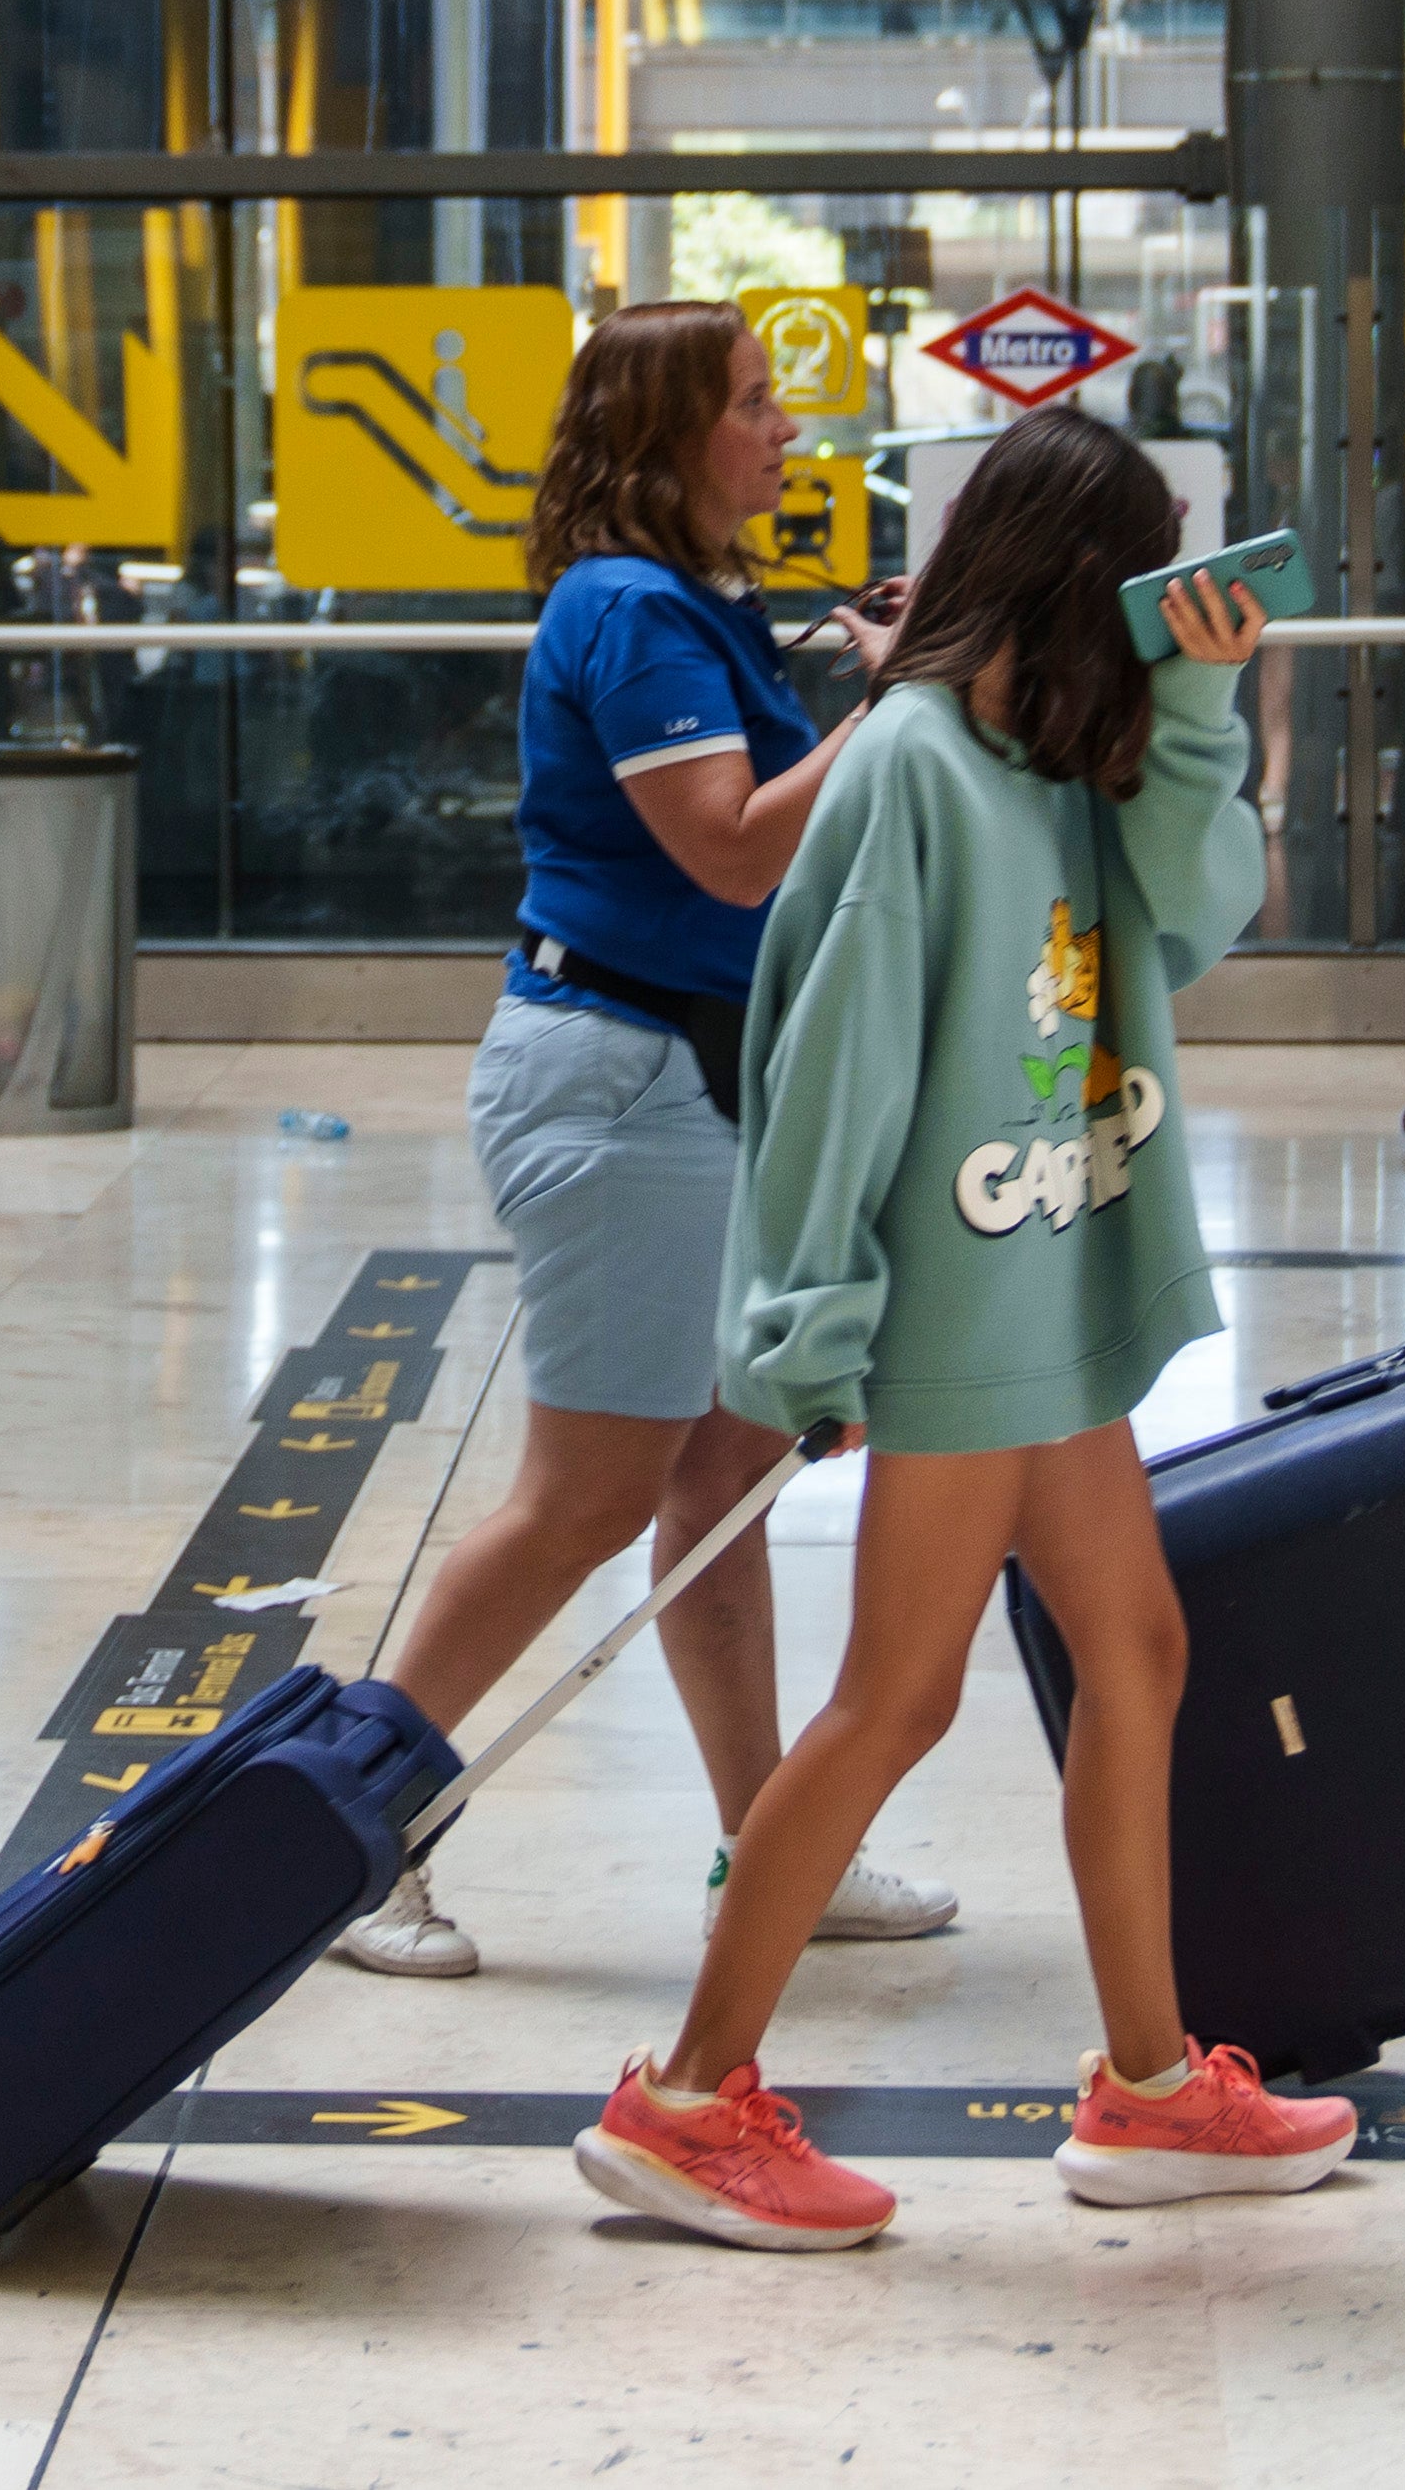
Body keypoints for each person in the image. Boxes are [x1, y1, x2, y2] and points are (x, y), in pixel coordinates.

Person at [569, 409, 1351, 2253]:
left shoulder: (1075, 752)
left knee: (1134, 1646)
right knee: (896, 1698)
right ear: (1078, 578)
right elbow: (829, 1061)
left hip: (1048, 1278)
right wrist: (809, 1323)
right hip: (957, 1305)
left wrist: (1202, 709)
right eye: (1141, 574)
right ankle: (685, 2101)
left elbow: (1194, 921)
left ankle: (1147, 2084)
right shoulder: (915, 762)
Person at [335, 296, 954, 1982]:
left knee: (722, 1484)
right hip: (621, 1083)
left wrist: (861, 684)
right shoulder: (626, 608)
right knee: (584, 1499)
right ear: (667, 435)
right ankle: (351, 1843)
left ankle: (774, 1853)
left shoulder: (698, 608)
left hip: (690, 1076)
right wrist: (895, 705)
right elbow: (733, 849)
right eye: (750, 403)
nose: (782, 431)